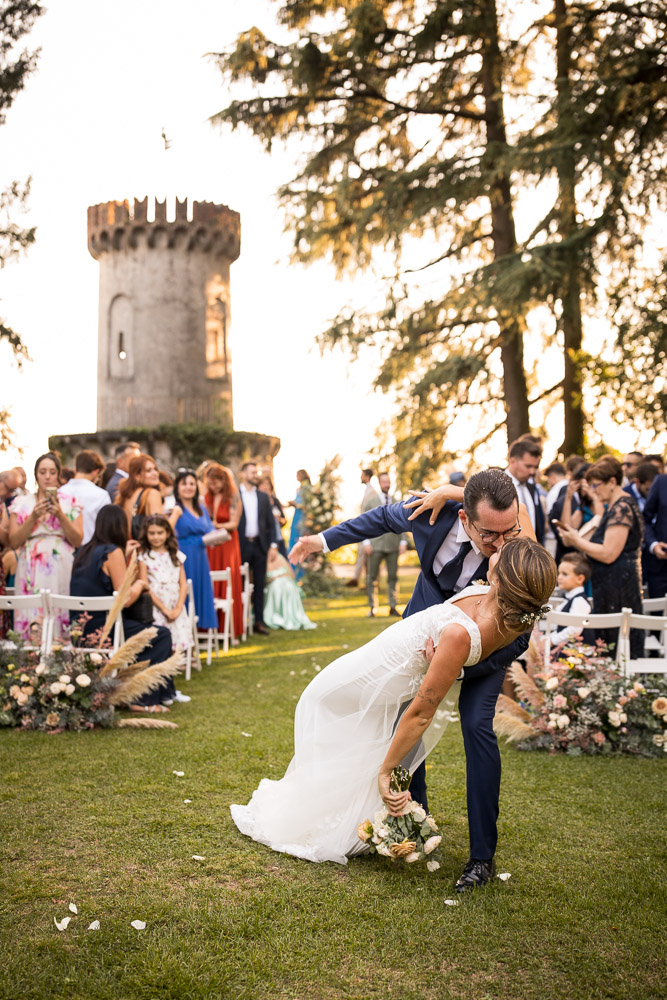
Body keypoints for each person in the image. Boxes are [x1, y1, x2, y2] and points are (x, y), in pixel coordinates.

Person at [232, 538, 556, 873]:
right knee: (351, 721)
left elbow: (421, 715)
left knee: (317, 700)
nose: (497, 546)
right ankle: (340, 806)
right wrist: (448, 661)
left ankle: (323, 808)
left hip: (389, 667)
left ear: (502, 580)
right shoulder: (511, 608)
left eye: (502, 552)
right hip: (393, 648)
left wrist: (387, 771)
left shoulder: (465, 633)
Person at [290, 468, 535, 890]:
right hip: (422, 628)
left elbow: (521, 634)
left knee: (477, 728)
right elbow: (378, 520)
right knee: (408, 721)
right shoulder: (433, 512)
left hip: (485, 652)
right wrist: (321, 541)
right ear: (463, 519)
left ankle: (482, 857)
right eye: (490, 536)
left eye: (508, 531)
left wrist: (461, 662)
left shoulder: (518, 549)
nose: (502, 544)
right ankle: (412, 820)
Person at [70, 506, 176, 712]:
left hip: (80, 629)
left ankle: (162, 693)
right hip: (104, 630)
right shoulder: (112, 551)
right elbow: (124, 599)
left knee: (144, 630)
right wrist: (140, 584)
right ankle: (143, 700)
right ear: (119, 526)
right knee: (160, 635)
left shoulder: (82, 551)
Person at [555, 456, 644, 657]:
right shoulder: (612, 507)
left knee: (618, 647)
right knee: (608, 646)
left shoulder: (622, 507)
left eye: (596, 485)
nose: (593, 490)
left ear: (612, 482)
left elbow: (608, 553)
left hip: (619, 587)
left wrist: (577, 541)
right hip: (609, 585)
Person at [8, 452, 83, 641]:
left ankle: (60, 658)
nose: (47, 476)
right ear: (36, 475)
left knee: (59, 609)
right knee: (30, 612)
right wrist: (33, 517)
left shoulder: (70, 502)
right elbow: (14, 541)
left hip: (60, 565)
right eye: (42, 472)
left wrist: (60, 515)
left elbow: (78, 539)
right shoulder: (22, 502)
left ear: (58, 474)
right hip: (30, 566)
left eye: (51, 471)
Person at [172, 470, 217, 632]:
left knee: (200, 591)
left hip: (201, 556)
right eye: (184, 483)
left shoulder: (202, 509)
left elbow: (211, 529)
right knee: (186, 591)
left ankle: (198, 632)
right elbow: (168, 532)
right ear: (177, 487)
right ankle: (184, 634)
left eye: (192, 483)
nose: (188, 487)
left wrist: (217, 537)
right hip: (184, 555)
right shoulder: (175, 508)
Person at [204, 463, 244, 641]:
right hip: (211, 544)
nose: (213, 487)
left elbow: (234, 523)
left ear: (223, 480)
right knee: (211, 579)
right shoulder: (207, 497)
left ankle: (228, 628)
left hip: (227, 542)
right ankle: (209, 628)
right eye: (210, 483)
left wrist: (217, 526)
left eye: (216, 483)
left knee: (226, 577)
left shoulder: (233, 497)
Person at [238, 462, 275, 636]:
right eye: (253, 472)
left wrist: (273, 545)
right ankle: (240, 622)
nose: (256, 475)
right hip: (241, 546)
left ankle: (258, 621)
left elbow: (271, 523)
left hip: (260, 546)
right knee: (239, 585)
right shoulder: (235, 495)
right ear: (242, 474)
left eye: (257, 472)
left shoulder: (262, 496)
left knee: (259, 585)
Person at [364, 472, 407, 617]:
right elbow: (364, 523)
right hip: (375, 545)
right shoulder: (371, 502)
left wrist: (403, 541)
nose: (386, 485)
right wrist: (366, 542)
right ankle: (372, 607)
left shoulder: (397, 501)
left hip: (393, 545)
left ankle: (393, 606)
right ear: (379, 483)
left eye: (388, 482)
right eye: (384, 482)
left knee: (393, 577)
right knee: (372, 577)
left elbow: (403, 523)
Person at [58, 449, 110, 545]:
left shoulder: (61, 492)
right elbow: (105, 530)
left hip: (64, 549)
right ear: (96, 472)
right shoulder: (101, 495)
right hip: (91, 551)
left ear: (76, 469)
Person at [115, 454, 173, 539]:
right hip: (146, 549)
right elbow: (159, 531)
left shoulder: (126, 495)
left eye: (155, 469)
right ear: (136, 476)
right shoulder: (151, 494)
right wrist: (176, 513)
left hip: (130, 547)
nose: (155, 473)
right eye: (149, 471)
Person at [263, 544, 317, 631]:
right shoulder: (265, 562)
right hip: (274, 585)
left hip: (287, 583)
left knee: (288, 586)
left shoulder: (281, 559)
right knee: (277, 587)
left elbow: (292, 575)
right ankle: (278, 616)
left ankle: (290, 616)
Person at [506, 438, 545, 544]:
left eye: (535, 467)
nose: (532, 472)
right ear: (512, 461)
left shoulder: (532, 487)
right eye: (528, 466)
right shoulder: (497, 485)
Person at [345, 468, 380, 588]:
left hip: (369, 528)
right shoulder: (367, 490)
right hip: (364, 526)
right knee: (362, 554)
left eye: (362, 475)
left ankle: (372, 582)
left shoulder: (373, 492)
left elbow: (373, 511)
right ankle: (358, 579)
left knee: (371, 556)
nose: (360, 477)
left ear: (367, 476)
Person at [549, 554, 592, 648]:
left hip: (574, 651)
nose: (559, 577)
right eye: (558, 573)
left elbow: (575, 629)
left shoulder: (579, 601)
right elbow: (560, 629)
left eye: (565, 574)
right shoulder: (570, 598)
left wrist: (551, 641)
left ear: (580, 579)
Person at [643, 473, 667, 599]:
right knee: (657, 615)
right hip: (661, 565)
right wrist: (653, 544)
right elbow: (645, 519)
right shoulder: (662, 481)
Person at [287, 469, 311, 580]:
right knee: (293, 541)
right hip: (296, 517)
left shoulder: (307, 489)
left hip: (302, 518)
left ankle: (301, 574)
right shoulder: (299, 489)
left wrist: (295, 504)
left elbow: (306, 504)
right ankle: (293, 571)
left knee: (300, 541)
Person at [259, 474, 288, 558]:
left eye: (267, 484)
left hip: (279, 538)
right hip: (265, 541)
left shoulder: (275, 501)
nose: (265, 487)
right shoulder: (259, 502)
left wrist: (279, 519)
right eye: (263, 484)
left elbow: (284, 520)